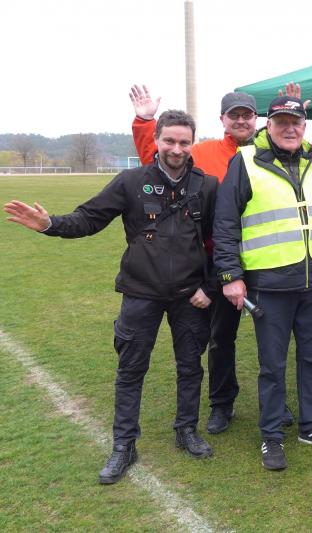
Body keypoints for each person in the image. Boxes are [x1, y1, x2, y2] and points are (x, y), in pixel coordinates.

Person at [4, 110, 218, 484]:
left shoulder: (207, 186)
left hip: (190, 296)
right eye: (169, 140)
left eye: (184, 142)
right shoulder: (131, 181)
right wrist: (50, 224)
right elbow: (88, 218)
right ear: (157, 139)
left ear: (192, 144)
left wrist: (210, 287)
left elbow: (224, 241)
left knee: (190, 366)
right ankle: (124, 444)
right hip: (140, 293)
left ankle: (186, 430)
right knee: (130, 369)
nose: (176, 149)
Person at [213, 95, 312, 471]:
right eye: (282, 122)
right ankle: (272, 435)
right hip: (269, 284)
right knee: (272, 366)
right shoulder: (245, 160)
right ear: (269, 125)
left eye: (296, 122)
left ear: (304, 126)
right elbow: (225, 223)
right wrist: (231, 276)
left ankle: (311, 426)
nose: (289, 128)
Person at [129, 85, 262, 434]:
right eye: (234, 115)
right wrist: (145, 122)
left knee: (272, 337)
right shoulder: (202, 152)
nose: (241, 121)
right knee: (221, 336)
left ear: (256, 119)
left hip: (265, 258)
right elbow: (157, 163)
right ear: (223, 119)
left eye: (247, 115)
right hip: (218, 263)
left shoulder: (269, 152)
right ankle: (222, 402)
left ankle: (275, 402)